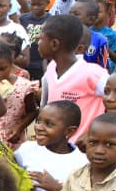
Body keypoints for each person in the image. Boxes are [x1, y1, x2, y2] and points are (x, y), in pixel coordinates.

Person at [39, 14, 108, 143]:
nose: (38, 43)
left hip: (81, 148)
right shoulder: (51, 68)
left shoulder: (93, 74)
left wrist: (94, 134)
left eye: (41, 39)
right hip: (55, 145)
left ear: (54, 44)